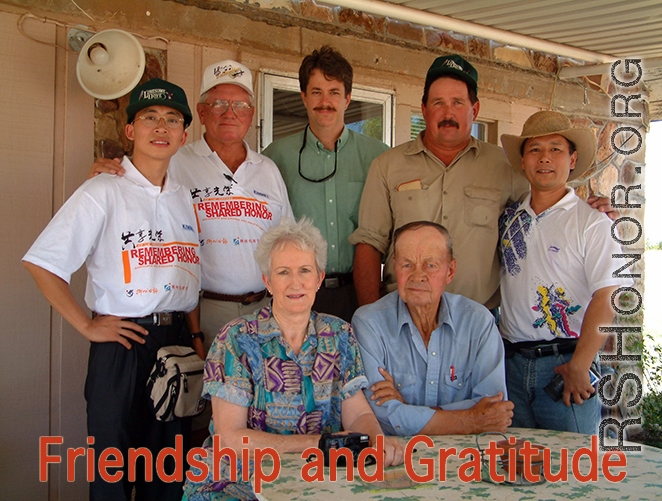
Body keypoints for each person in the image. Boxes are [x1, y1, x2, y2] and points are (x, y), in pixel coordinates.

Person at [23, 78, 200, 500]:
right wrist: (86, 326)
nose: (161, 127)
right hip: (121, 344)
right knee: (113, 472)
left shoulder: (183, 196)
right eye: (150, 118)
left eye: (172, 119)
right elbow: (43, 263)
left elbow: (189, 277)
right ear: (130, 131)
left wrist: (193, 337)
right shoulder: (103, 189)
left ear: (184, 136)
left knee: (167, 473)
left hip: (173, 344)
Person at [349, 55, 614, 313]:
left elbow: (546, 211)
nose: (447, 112)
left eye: (457, 103)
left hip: (478, 324)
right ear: (424, 109)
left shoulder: (505, 167)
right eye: (438, 103)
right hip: (402, 316)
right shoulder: (387, 166)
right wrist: (372, 319)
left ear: (474, 110)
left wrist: (592, 211)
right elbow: (369, 245)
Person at [182, 218, 404, 501]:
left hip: (318, 479)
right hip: (238, 484)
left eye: (304, 270)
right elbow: (231, 439)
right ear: (268, 281)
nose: (295, 282)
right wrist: (317, 444)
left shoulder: (339, 334)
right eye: (283, 272)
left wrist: (377, 440)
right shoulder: (237, 339)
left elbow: (358, 413)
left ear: (319, 279)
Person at [90, 60, 293, 356]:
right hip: (202, 313)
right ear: (201, 112)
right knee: (206, 400)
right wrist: (106, 170)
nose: (229, 113)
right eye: (219, 103)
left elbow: (286, 242)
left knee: (260, 399)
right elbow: (130, 190)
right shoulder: (173, 160)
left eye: (240, 105)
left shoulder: (269, 170)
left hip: (265, 309)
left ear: (251, 113)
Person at [498, 111, 631, 434]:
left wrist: (580, 365)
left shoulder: (594, 223)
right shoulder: (509, 217)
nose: (545, 158)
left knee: (573, 467)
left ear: (572, 160)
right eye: (535, 150)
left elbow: (607, 296)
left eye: (556, 149)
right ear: (523, 161)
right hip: (510, 365)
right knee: (517, 464)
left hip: (565, 366)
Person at [352, 221, 513, 436]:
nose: (418, 276)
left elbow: (493, 411)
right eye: (407, 265)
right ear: (394, 267)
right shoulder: (369, 323)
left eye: (430, 265)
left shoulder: (478, 321)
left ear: (450, 271)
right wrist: (470, 420)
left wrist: (407, 410)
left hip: (466, 456)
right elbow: (379, 416)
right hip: (399, 456)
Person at [263, 46, 388, 322]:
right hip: (299, 293)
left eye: (334, 92)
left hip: (362, 293)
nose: (325, 101)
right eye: (316, 92)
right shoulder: (275, 157)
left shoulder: (379, 157)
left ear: (348, 98)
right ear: (304, 97)